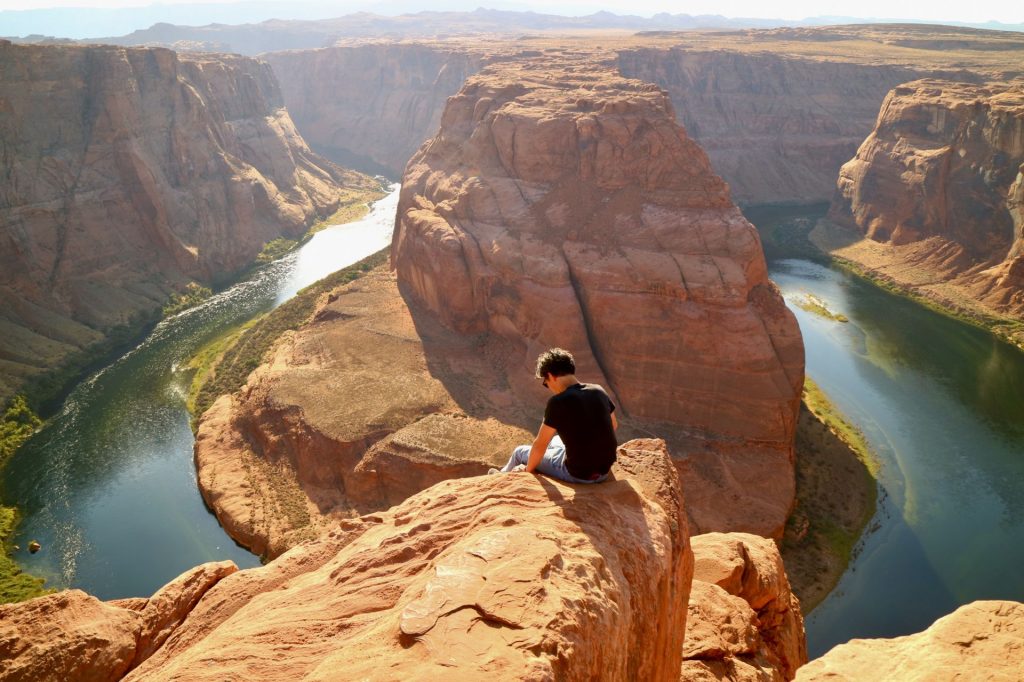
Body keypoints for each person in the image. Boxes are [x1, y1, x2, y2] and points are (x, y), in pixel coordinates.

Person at [494, 348, 618, 483]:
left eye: (545, 383)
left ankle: (499, 479)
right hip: (603, 471)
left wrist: (527, 471)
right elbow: (613, 425)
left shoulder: (558, 402)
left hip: (577, 474)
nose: (548, 387)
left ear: (551, 376)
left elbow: (540, 445)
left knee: (520, 452)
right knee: (556, 441)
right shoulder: (598, 390)